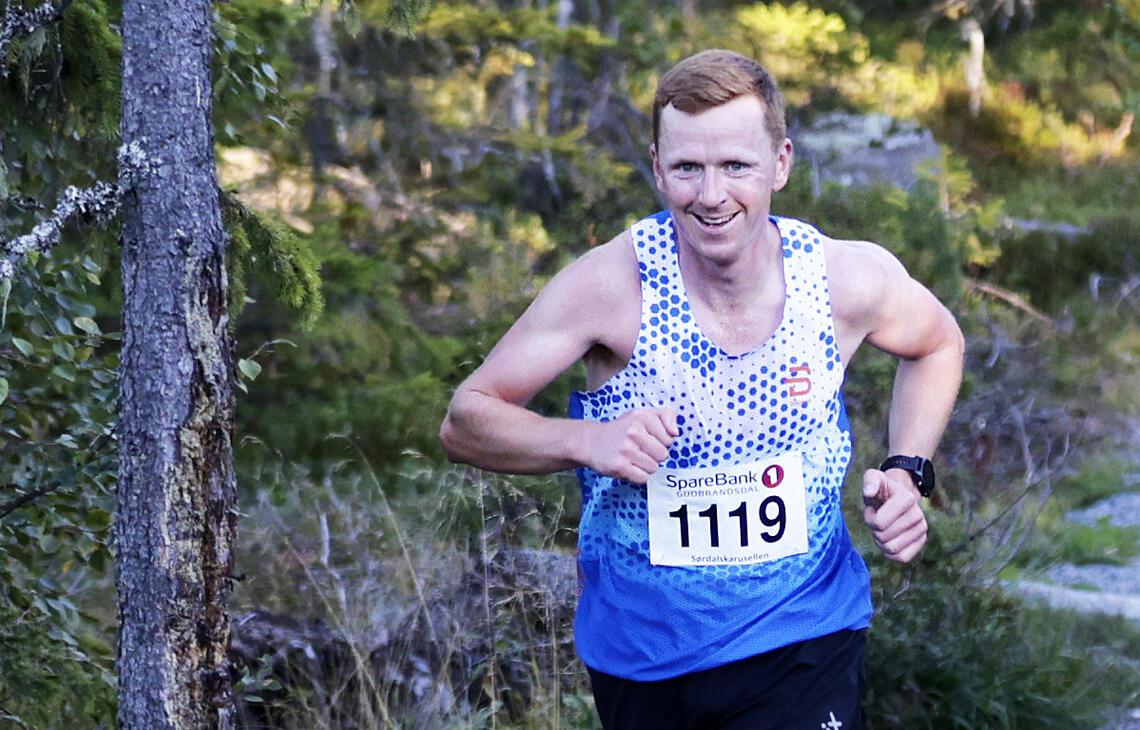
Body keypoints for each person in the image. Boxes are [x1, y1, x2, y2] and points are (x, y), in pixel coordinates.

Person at [439, 48, 964, 730]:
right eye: (688, 167)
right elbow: (466, 420)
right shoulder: (610, 287)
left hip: (805, 633)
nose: (711, 195)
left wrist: (906, 468)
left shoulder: (842, 280)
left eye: (736, 166)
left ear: (780, 164)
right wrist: (586, 440)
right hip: (645, 655)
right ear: (659, 169)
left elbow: (938, 342)